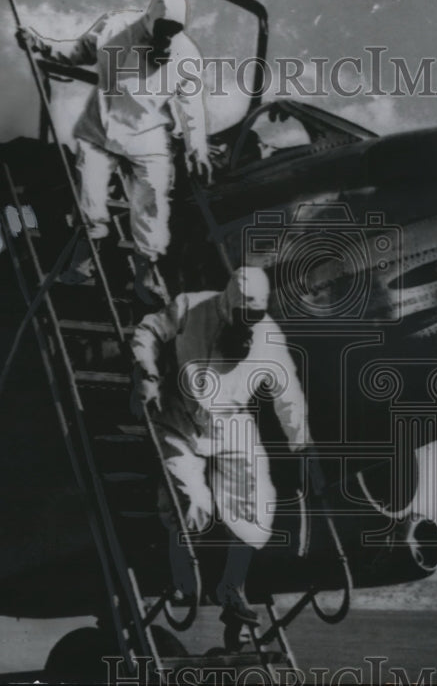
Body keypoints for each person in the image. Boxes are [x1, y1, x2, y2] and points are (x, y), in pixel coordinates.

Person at [130, 267, 323, 623]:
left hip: (232, 421)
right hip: (180, 416)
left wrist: (303, 448)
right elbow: (148, 330)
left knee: (256, 496)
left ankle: (232, 587)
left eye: (255, 315)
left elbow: (288, 396)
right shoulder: (191, 307)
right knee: (190, 499)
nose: (248, 323)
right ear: (228, 303)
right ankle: (183, 574)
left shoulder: (268, 337)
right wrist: (148, 372)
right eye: (242, 315)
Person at [16, 0, 212, 302]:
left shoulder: (187, 56)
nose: (166, 39)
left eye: (173, 32)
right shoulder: (113, 28)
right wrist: (39, 43)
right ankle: (82, 261)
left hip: (148, 132)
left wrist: (199, 151)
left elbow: (192, 107)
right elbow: (76, 52)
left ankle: (147, 273)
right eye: (162, 30)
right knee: (90, 197)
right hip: (102, 127)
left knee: (152, 202)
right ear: (150, 19)